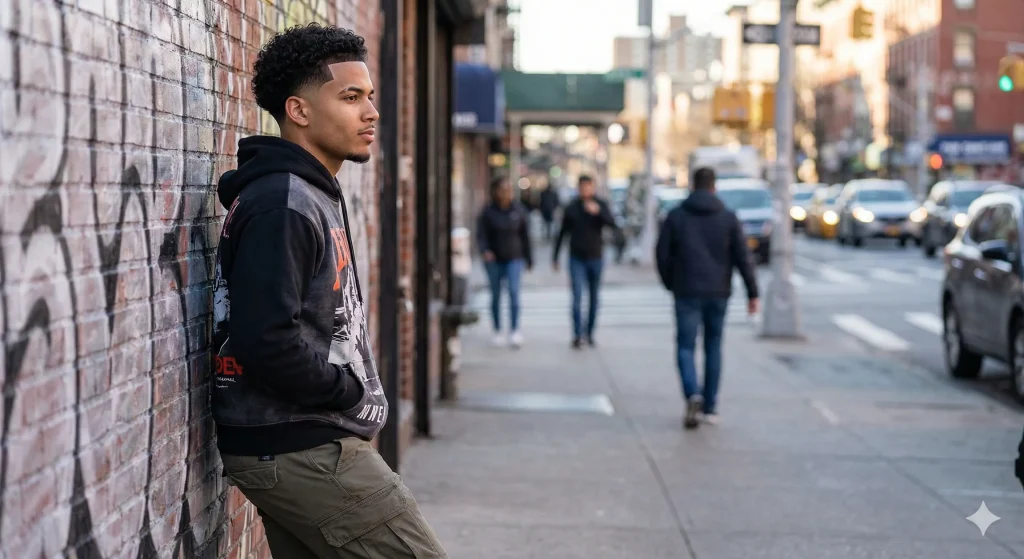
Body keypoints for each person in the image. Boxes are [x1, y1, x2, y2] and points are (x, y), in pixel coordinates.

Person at [210, 24, 447, 558]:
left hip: (299, 442)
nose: (371, 112)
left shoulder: (307, 194)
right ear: (299, 110)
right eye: (350, 97)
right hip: (304, 446)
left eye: (370, 97)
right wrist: (345, 391)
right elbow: (266, 337)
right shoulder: (283, 203)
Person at [655, 167, 759, 430]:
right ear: (714, 187)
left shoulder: (676, 216)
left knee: (685, 346)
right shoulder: (727, 217)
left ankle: (693, 394)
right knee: (713, 346)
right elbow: (742, 258)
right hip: (717, 291)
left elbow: (662, 255)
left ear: (692, 185)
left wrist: (671, 283)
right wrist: (752, 292)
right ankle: (710, 406)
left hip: (686, 290)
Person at [552, 175, 618, 349]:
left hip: (596, 257)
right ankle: (577, 334)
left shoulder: (600, 205)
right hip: (576, 258)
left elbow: (612, 224)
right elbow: (562, 232)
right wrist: (555, 256)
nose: (586, 191)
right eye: (583, 187)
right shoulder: (572, 207)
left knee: (594, 298)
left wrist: (599, 212)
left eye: (589, 187)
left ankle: (590, 333)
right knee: (577, 297)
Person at [477, 176, 533, 348]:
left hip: (514, 258)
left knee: (514, 293)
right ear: (496, 191)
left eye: (509, 189)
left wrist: (529, 258)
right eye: (503, 189)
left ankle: (515, 330)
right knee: (495, 295)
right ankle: (497, 329)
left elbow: (525, 236)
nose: (506, 193)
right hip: (494, 260)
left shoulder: (519, 210)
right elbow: (481, 235)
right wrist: (485, 251)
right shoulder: (488, 212)